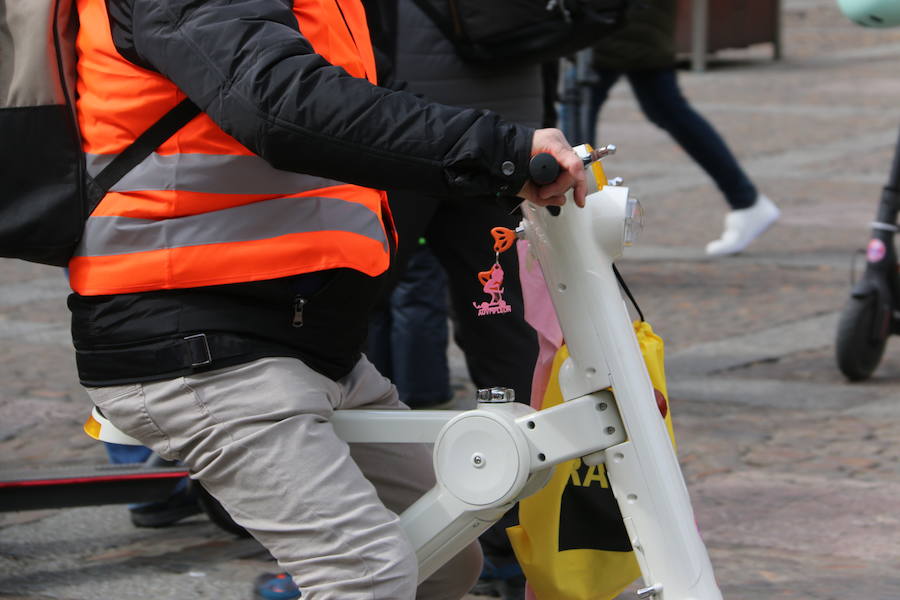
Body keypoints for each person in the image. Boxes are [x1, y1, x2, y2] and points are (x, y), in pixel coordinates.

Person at [69, 1, 584, 599]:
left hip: (310, 336)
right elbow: (279, 104)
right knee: (365, 575)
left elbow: (368, 106)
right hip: (197, 335)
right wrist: (497, 148)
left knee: (443, 557)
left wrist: (493, 159)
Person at [578, 0, 780, 256]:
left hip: (614, 21)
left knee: (578, 114)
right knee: (661, 107)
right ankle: (745, 199)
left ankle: (577, 224)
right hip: (621, 21)